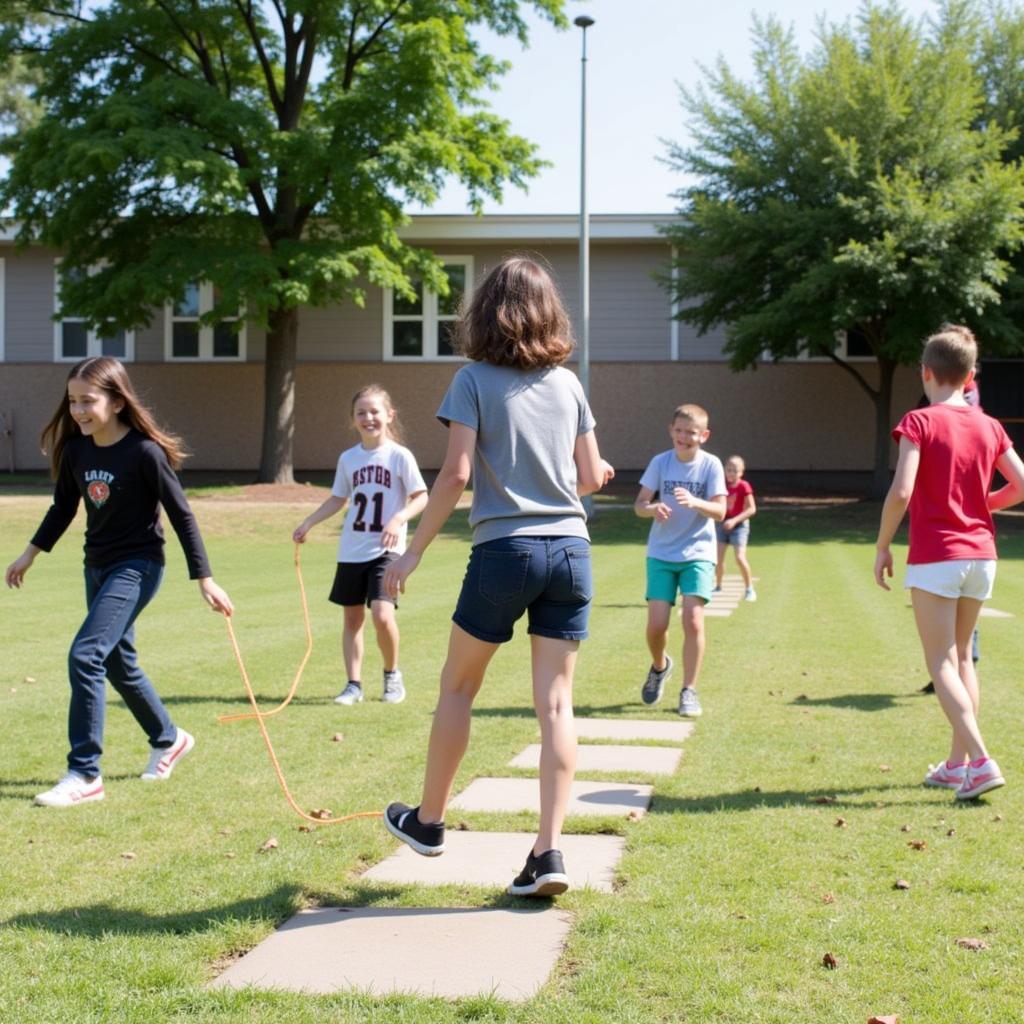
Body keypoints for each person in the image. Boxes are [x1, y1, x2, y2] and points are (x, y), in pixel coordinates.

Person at [379, 256, 614, 897]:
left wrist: (412, 553)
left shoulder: (472, 379)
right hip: (571, 551)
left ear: (485, 312)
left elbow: (455, 476)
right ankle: (550, 853)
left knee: (457, 688)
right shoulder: (568, 385)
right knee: (557, 706)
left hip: (505, 552)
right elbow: (590, 479)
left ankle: (428, 822)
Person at [5, 356, 233, 808]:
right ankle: (168, 739)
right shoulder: (76, 451)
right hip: (98, 566)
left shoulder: (144, 453)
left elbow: (182, 515)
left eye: (88, 401)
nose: (79, 411)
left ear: (116, 399)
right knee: (116, 663)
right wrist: (29, 554)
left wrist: (204, 579)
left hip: (139, 566)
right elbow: (63, 509)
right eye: (72, 401)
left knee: (86, 654)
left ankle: (84, 773)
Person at [874, 325, 1024, 800]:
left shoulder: (919, 422)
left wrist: (882, 545)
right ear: (970, 375)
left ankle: (979, 761)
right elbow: (1021, 486)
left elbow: (901, 490)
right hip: (982, 555)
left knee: (940, 660)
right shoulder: (990, 425)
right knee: (962, 657)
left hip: (938, 555)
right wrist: (981, 506)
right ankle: (956, 766)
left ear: (926, 372)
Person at [293, 385, 427, 706]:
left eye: (375, 411)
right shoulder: (348, 459)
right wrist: (308, 522)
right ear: (353, 419)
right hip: (352, 550)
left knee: (382, 615)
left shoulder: (399, 456)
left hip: (386, 551)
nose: (369, 418)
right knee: (352, 620)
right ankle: (353, 685)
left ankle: (392, 675)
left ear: (389, 415)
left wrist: (398, 519)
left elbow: (422, 496)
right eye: (361, 413)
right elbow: (338, 498)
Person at [635, 404, 726, 718]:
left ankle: (689, 690)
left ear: (704, 435)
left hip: (698, 553)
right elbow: (639, 504)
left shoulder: (711, 465)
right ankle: (660, 667)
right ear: (671, 431)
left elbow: (721, 512)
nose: (684, 437)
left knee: (692, 619)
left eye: (691, 432)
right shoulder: (661, 462)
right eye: (679, 431)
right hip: (661, 553)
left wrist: (696, 502)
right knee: (656, 626)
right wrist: (652, 508)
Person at [714, 454, 757, 601]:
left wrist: (734, 521)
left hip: (739, 526)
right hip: (722, 524)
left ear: (741, 472)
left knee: (739, 558)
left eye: (735, 470)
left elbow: (752, 509)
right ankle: (718, 586)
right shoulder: (721, 485)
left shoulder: (744, 486)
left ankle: (749, 589)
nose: (731, 473)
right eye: (729, 470)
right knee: (718, 559)